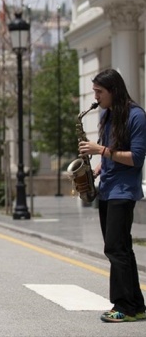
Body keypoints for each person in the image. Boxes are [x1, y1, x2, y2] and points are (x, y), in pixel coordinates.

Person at [78, 68, 146, 322]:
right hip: (107, 190)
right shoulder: (107, 115)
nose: (95, 97)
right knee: (122, 250)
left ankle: (124, 306)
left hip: (123, 192)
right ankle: (137, 306)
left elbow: (136, 158)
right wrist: (95, 169)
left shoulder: (137, 116)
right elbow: (112, 156)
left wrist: (101, 150)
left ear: (113, 91)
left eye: (99, 92)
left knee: (115, 249)